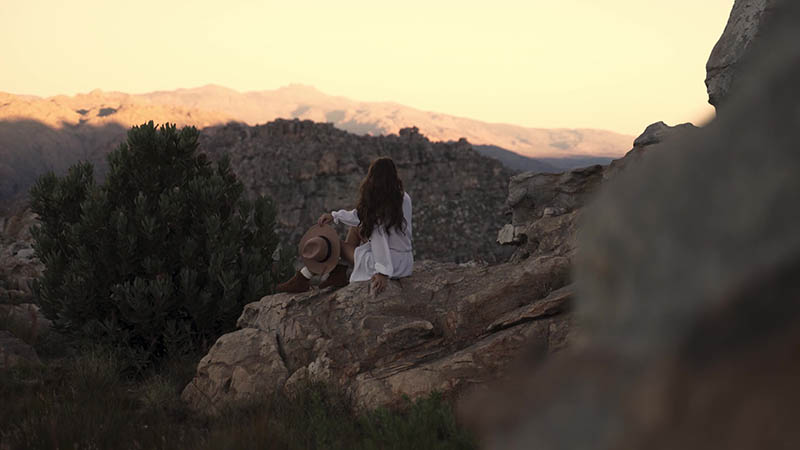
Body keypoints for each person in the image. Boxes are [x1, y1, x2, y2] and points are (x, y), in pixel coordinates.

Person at [277, 157, 413, 294]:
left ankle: (304, 277)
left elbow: (379, 238)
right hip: (405, 262)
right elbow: (360, 217)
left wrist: (382, 272)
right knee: (355, 228)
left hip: (389, 264)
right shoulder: (403, 197)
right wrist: (335, 216)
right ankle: (338, 273)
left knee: (335, 245)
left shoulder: (380, 206)